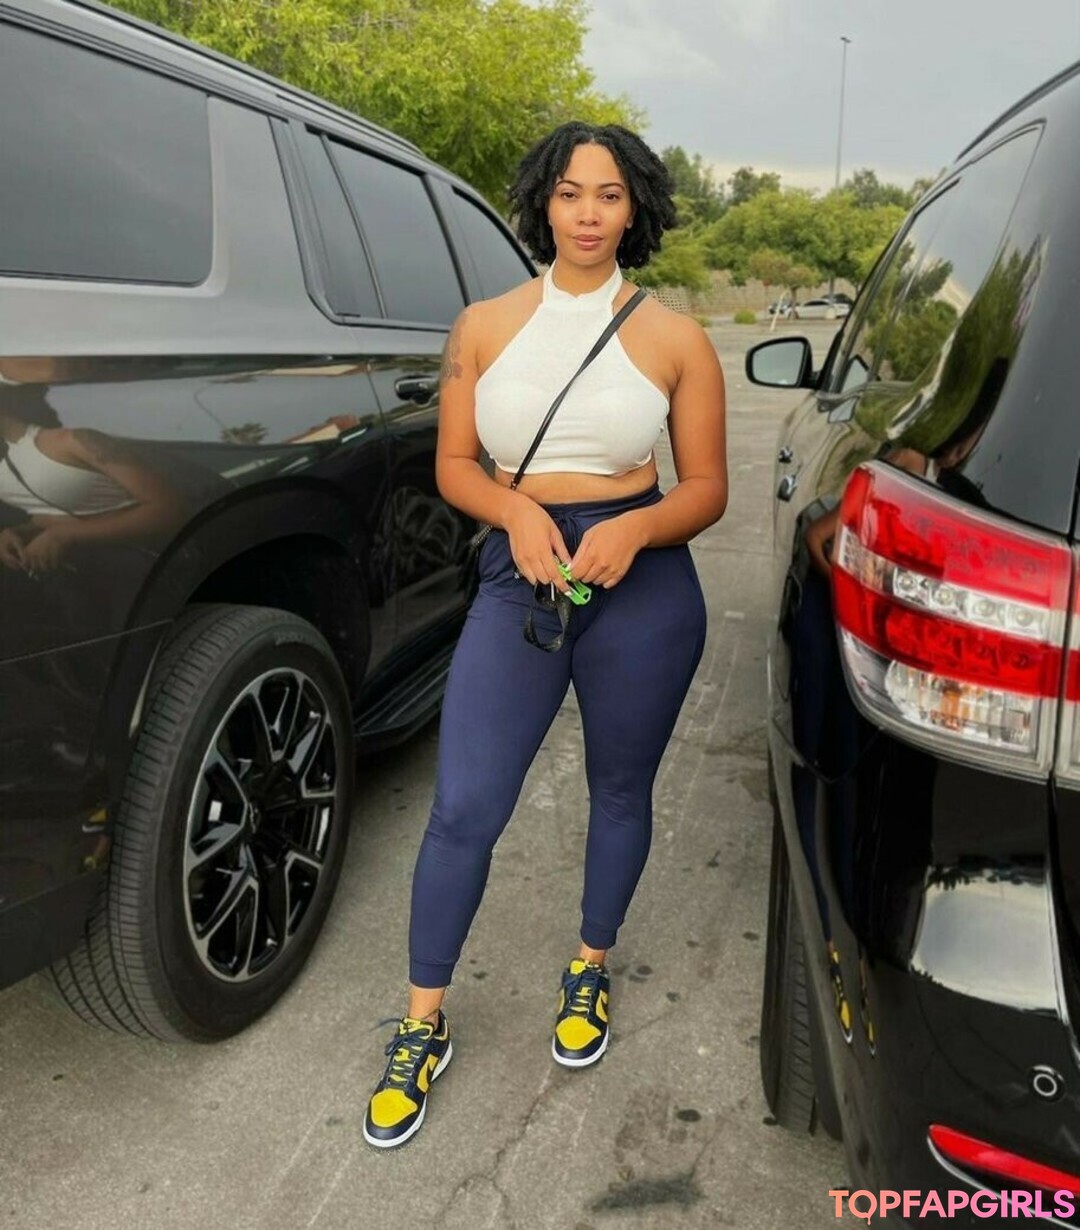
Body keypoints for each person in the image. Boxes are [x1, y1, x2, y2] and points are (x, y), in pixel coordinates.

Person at [362, 122, 728, 1149]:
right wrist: (515, 513)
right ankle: (422, 1023)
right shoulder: (483, 326)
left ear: (635, 208)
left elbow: (706, 487)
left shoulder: (676, 339)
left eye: (608, 195)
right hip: (517, 575)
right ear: (542, 203)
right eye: (569, 193)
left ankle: (589, 965)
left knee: (620, 789)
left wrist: (639, 528)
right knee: (464, 809)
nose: (587, 213)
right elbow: (455, 465)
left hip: (642, 584)